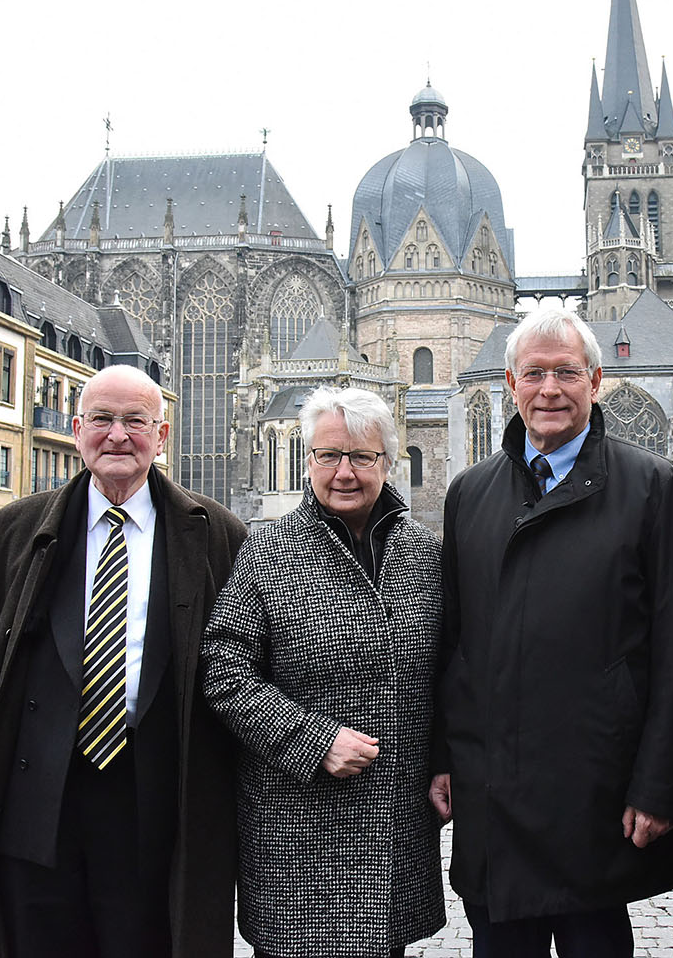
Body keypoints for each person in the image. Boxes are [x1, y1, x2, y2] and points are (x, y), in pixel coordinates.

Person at [0, 364, 247, 958]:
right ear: (77, 431)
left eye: (135, 422)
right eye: (102, 420)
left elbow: (247, 672)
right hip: (34, 802)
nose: (118, 436)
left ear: (163, 434)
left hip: (161, 803)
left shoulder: (218, 534)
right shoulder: (15, 530)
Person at [431, 308, 673, 957]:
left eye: (566, 372)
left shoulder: (652, 486)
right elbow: (453, 644)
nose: (549, 388)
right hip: (495, 792)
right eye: (534, 373)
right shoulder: (469, 492)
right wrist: (442, 755)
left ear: (596, 380)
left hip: (595, 792)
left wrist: (660, 784)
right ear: (510, 382)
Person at [201, 386, 445, 958]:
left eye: (361, 457)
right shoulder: (267, 548)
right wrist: (313, 740)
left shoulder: (424, 552)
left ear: (387, 461)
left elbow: (450, 672)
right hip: (297, 825)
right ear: (307, 459)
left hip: (393, 822)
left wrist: (445, 760)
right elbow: (224, 671)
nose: (344, 472)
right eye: (328, 455)